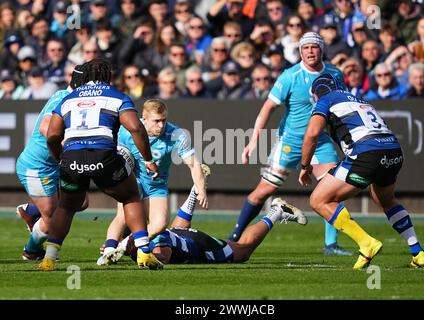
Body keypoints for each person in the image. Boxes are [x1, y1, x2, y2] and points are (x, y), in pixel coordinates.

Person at [228, 32, 352, 256]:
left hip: (320, 140)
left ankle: (331, 244)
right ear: (300, 51)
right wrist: (253, 140)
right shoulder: (290, 76)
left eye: (314, 47)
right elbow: (268, 108)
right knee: (264, 190)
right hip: (291, 141)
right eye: (306, 48)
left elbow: (341, 107)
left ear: (321, 49)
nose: (310, 51)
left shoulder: (335, 74)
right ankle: (234, 237)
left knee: (332, 190)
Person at [37, 58, 160, 271]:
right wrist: (148, 159)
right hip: (104, 156)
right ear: (108, 76)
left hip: (72, 158)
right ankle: (144, 253)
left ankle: (49, 258)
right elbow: (136, 128)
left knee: (66, 206)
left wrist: (60, 159)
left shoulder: (68, 99)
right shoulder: (116, 96)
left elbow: (52, 136)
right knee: (130, 196)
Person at [299, 73, 424, 269]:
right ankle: (418, 252)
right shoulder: (359, 100)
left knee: (319, 200)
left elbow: (312, 134)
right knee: (385, 200)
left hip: (366, 154)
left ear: (317, 93)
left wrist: (304, 166)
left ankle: (366, 243)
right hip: (393, 151)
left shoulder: (326, 99)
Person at [96, 99, 208, 265]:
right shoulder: (127, 132)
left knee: (160, 223)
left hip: (157, 185)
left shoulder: (176, 134)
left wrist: (201, 188)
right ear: (144, 119)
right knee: (122, 216)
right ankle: (108, 250)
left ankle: (121, 247)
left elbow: (194, 163)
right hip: (133, 179)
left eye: (163, 120)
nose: (161, 126)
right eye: (156, 121)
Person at [15, 64, 88, 261]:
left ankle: (31, 211)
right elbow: (44, 127)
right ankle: (31, 251)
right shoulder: (63, 98)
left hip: (55, 165)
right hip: (37, 167)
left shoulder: (74, 98)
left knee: (81, 202)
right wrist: (66, 146)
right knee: (52, 219)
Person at [111, 197, 306, 267]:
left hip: (199, 245)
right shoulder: (144, 235)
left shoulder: (148, 239)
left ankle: (277, 211)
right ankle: (194, 192)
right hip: (180, 234)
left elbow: (164, 255)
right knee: (174, 230)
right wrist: (112, 250)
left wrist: (144, 258)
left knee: (241, 252)